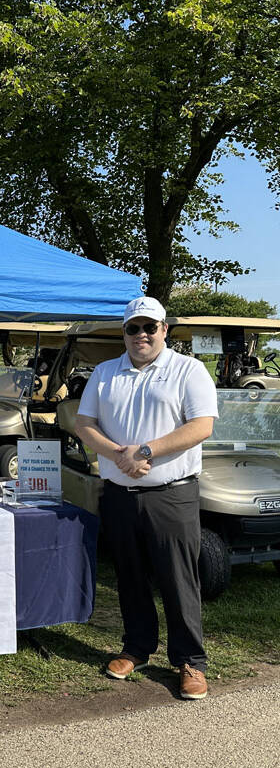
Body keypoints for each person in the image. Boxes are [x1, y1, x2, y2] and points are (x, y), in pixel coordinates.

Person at [75, 296, 218, 700]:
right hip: (119, 493)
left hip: (171, 495)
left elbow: (201, 425)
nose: (141, 335)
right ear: (123, 332)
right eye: (132, 328)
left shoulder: (188, 369)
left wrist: (146, 451)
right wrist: (119, 453)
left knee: (178, 579)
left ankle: (191, 661)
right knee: (129, 575)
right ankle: (137, 648)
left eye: (149, 327)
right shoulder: (105, 372)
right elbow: (85, 423)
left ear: (164, 330)